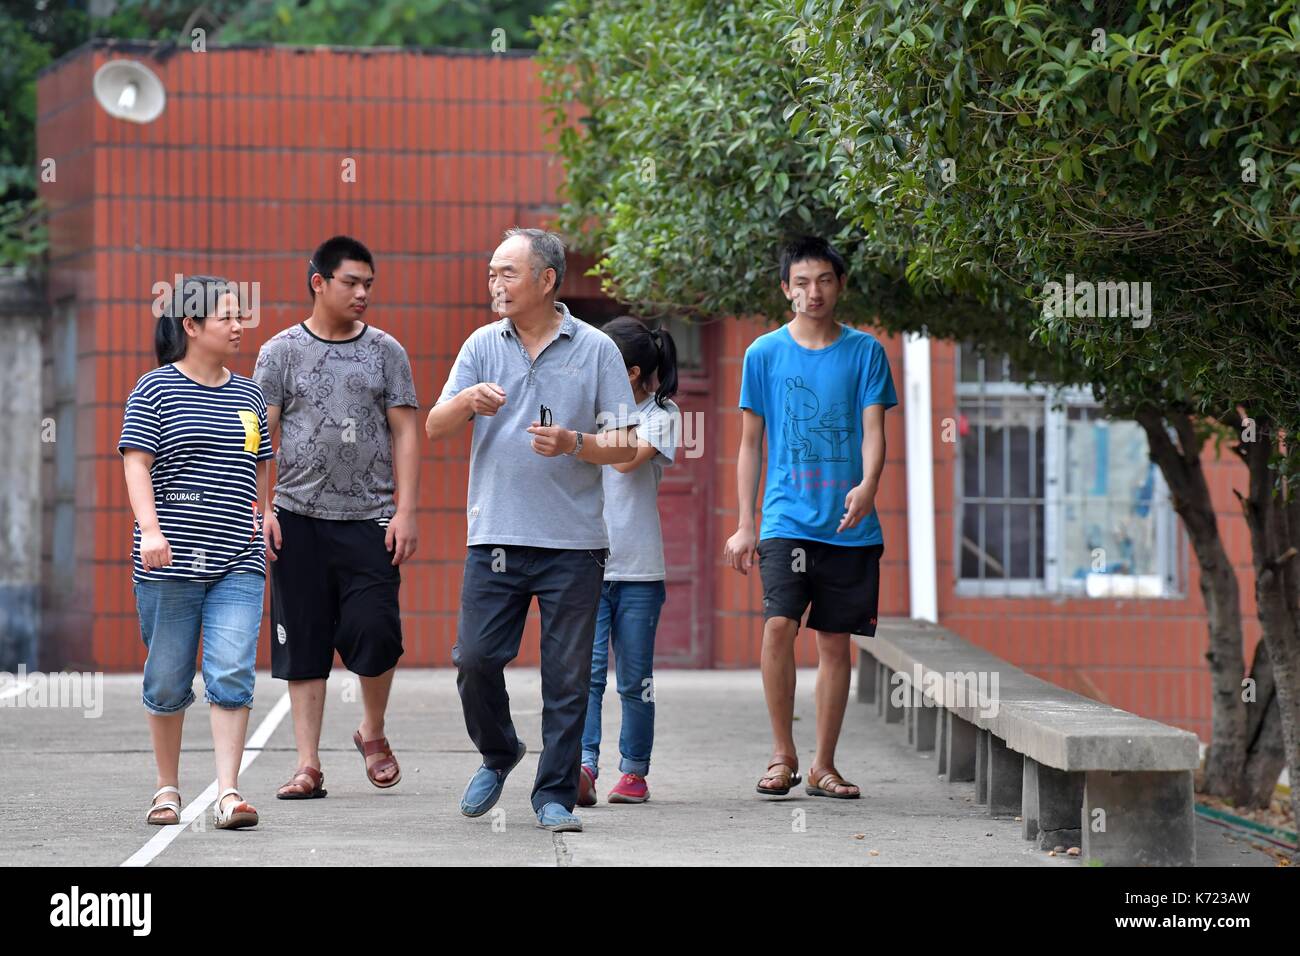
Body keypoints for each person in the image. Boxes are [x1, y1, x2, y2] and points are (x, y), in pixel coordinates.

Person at [426, 227, 638, 832]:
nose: (495, 284)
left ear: (547, 280)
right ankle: (499, 751)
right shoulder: (480, 345)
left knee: (568, 679)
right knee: (474, 658)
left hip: (574, 545)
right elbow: (435, 426)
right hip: (494, 536)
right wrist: (467, 400)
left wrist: (575, 443)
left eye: (507, 273)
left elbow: (626, 446)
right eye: (492, 273)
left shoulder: (595, 348)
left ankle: (554, 796)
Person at [723, 236, 897, 799]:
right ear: (785, 289)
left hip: (849, 527)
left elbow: (875, 430)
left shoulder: (866, 352)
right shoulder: (763, 354)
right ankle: (783, 756)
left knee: (834, 643)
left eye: (823, 280)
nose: (812, 291)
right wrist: (745, 522)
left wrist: (869, 485)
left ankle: (823, 765)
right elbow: (750, 444)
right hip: (785, 520)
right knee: (779, 625)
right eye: (801, 282)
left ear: (839, 286)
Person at [252, 235, 421, 800]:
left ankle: (371, 731)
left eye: (368, 283)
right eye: (351, 282)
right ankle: (308, 765)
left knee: (375, 631)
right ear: (318, 282)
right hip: (296, 519)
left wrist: (406, 509)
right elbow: (258, 431)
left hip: (370, 518)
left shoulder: (386, 351)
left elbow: (406, 430)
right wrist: (261, 503)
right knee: (303, 642)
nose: (362, 293)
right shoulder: (279, 352)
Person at [120, 275, 272, 830]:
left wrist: (265, 513)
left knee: (231, 671)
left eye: (240, 317)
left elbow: (257, 465)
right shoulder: (154, 389)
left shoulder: (250, 393)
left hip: (238, 561)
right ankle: (167, 789)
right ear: (191, 325)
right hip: (169, 564)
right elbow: (136, 464)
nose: (239, 327)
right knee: (167, 680)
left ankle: (228, 794)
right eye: (228, 317)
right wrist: (152, 530)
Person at [578, 316, 681, 807]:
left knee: (635, 678)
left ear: (633, 371)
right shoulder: (590, 408)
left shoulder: (661, 415)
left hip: (639, 568)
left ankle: (634, 771)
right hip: (589, 562)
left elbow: (621, 459)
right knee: (587, 674)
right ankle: (584, 766)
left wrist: (576, 439)